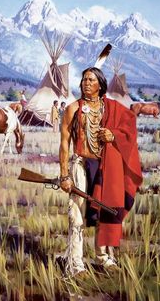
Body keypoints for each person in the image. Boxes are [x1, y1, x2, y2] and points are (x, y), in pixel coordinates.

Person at [59, 67, 142, 276]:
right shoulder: (73, 109)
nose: (86, 83)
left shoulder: (111, 108)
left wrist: (113, 135)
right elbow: (64, 143)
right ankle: (75, 263)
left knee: (105, 210)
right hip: (80, 164)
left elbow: (129, 125)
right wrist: (64, 175)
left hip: (105, 165)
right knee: (77, 213)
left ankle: (103, 258)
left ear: (100, 85)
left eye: (91, 80)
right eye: (84, 79)